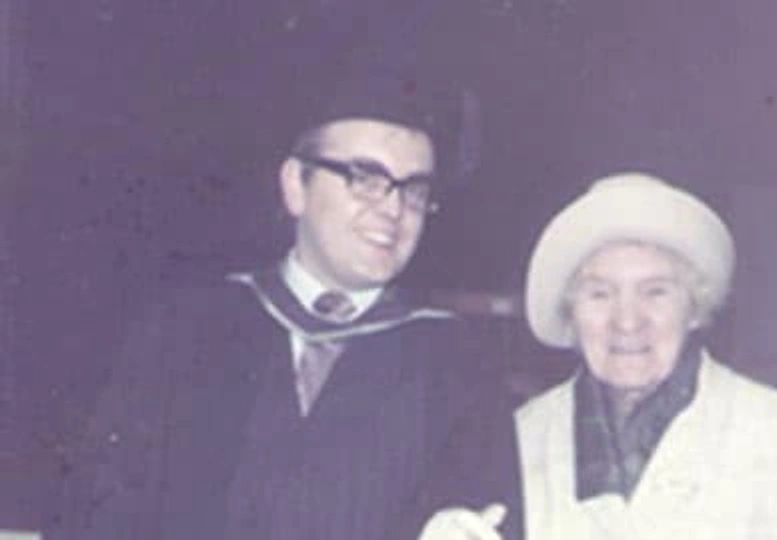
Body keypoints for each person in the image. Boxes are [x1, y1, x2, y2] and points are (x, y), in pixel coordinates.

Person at [51, 64, 495, 540]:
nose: (392, 208)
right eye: (365, 177)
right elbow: (95, 513)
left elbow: (485, 511)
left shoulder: (456, 363)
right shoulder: (184, 331)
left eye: (414, 189)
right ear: (295, 186)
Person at [419, 172, 777, 539]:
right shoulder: (520, 439)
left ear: (694, 308)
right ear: (571, 314)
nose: (627, 321)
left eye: (655, 292)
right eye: (599, 294)